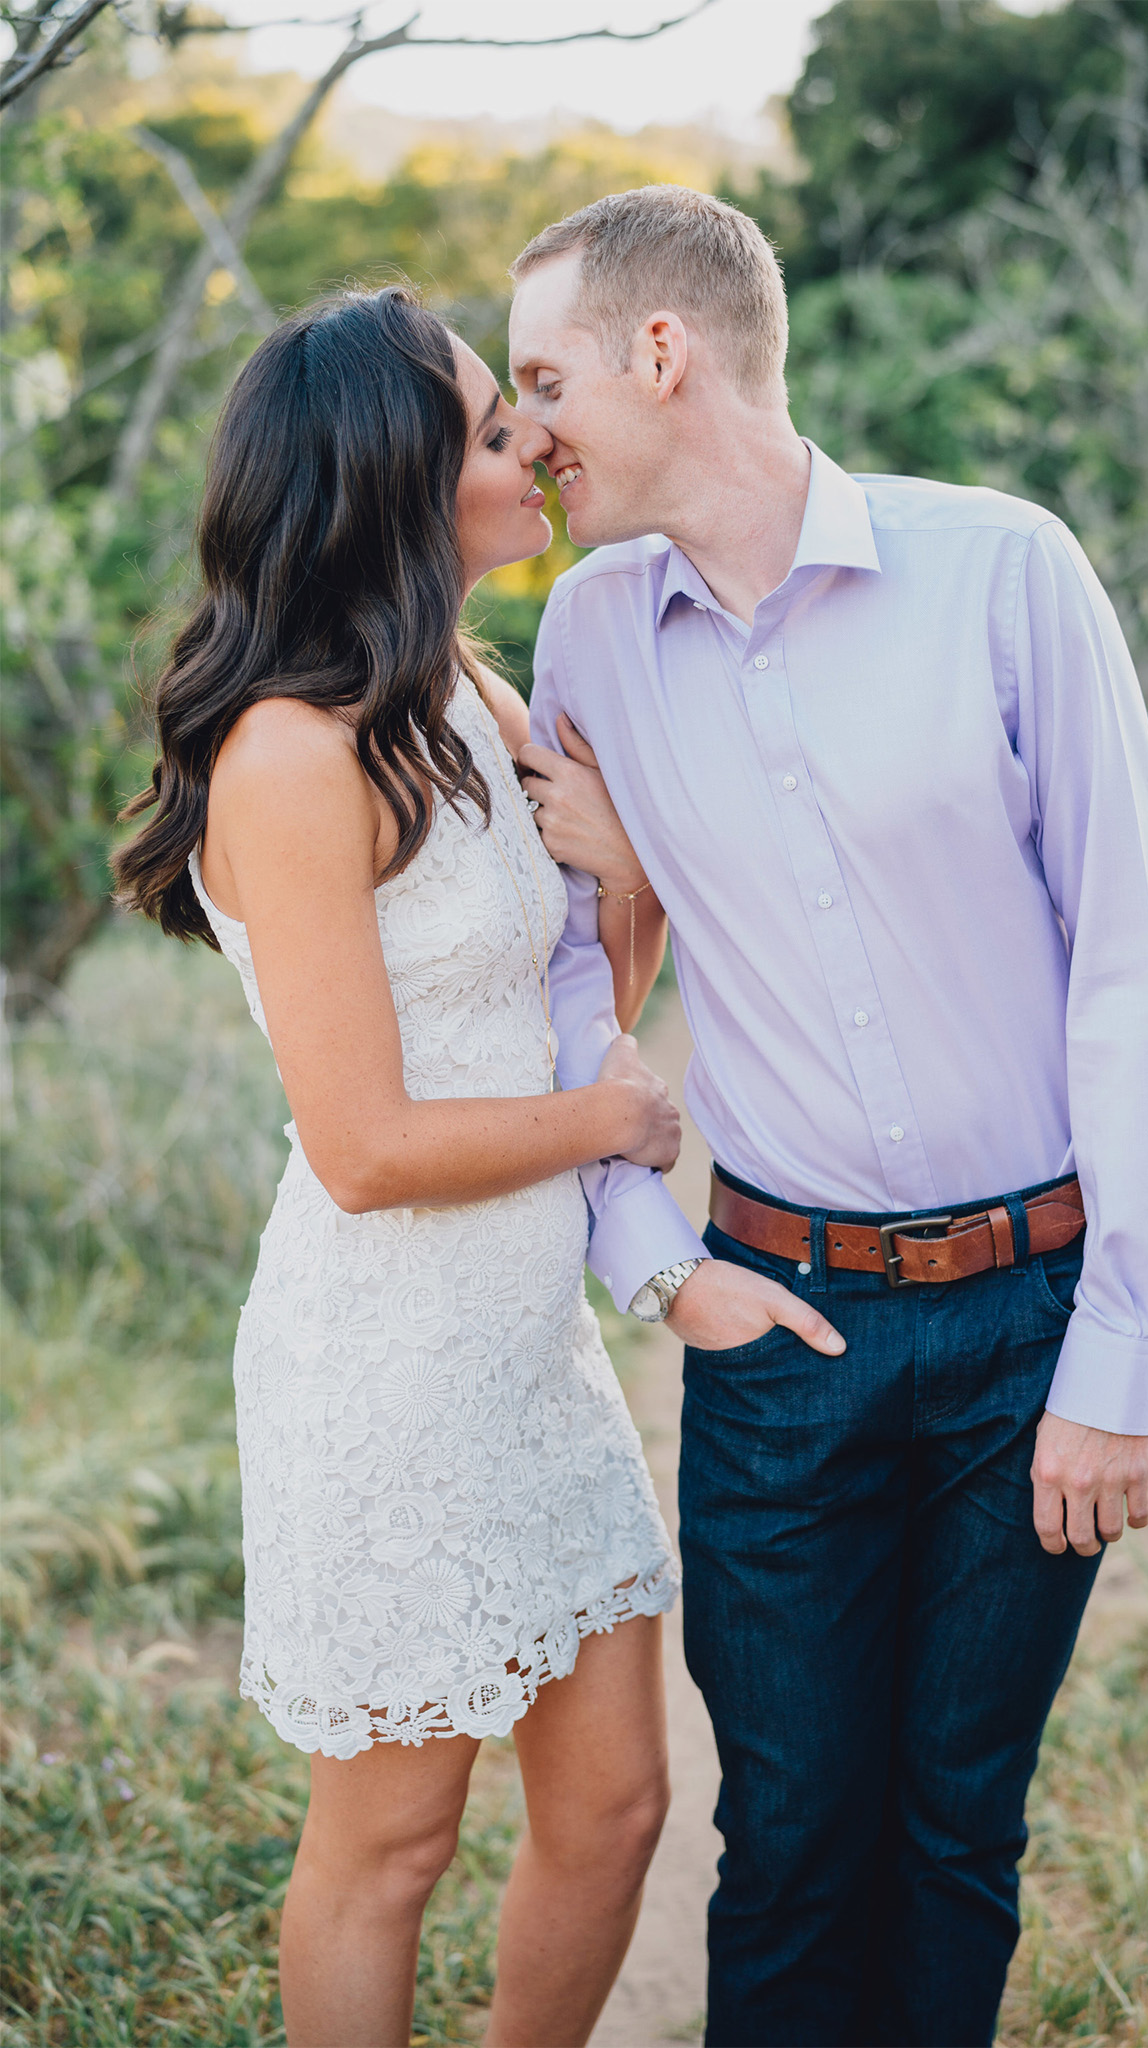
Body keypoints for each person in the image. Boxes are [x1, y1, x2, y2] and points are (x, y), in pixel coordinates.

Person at [498, 185, 1148, 2047]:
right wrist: (657, 1267)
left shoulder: (1005, 570)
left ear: (667, 352)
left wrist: (1117, 1345)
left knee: (959, 1829)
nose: (529, 431)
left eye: (543, 377)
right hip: (775, 1324)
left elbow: (1131, 960)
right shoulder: (584, 635)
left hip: (1024, 1320)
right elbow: (568, 969)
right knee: (792, 1838)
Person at [111, 286, 680, 2048]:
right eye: (491, 428)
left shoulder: (464, 692)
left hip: (525, 1344)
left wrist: (630, 887)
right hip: (386, 1364)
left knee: (614, 1810)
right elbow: (360, 1148)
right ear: (396, 482)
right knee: (392, 1837)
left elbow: (570, 1003)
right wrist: (609, 1127)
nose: (530, 444)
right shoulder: (289, 756)